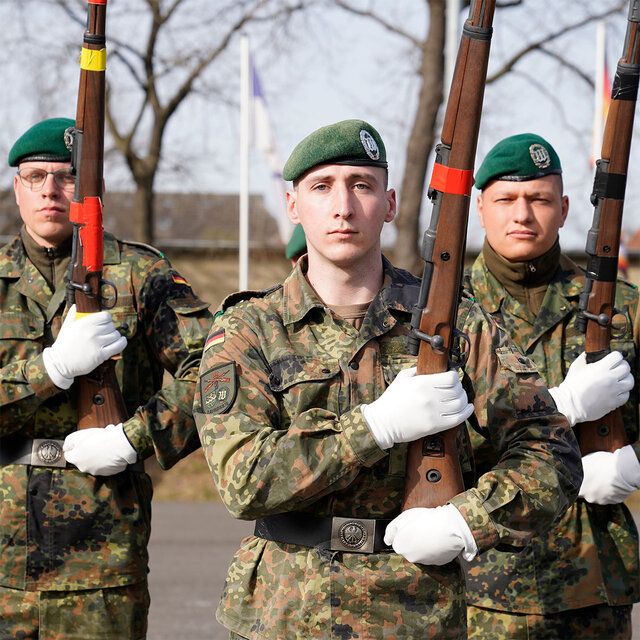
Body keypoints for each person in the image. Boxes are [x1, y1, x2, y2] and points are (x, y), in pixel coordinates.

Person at [194, 119, 584, 639]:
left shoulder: (454, 323)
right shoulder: (249, 328)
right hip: (283, 615)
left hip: (417, 612)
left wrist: (467, 521)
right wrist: (375, 428)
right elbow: (243, 481)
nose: (343, 207)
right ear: (293, 206)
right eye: (321, 187)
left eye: (361, 185)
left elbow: (550, 452)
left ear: (391, 203)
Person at [0, 117, 212, 639]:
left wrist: (134, 436)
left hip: (101, 555)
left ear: (94, 190)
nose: (51, 190)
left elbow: (216, 374)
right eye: (35, 176)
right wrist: (47, 371)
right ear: (16, 188)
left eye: (68, 177)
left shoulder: (142, 274)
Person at [464, 132, 640, 639]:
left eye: (538, 198)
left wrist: (634, 462)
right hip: (477, 588)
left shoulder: (620, 308)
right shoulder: (446, 315)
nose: (522, 214)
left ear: (563, 209)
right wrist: (558, 409)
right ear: (480, 208)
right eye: (506, 199)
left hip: (594, 585)